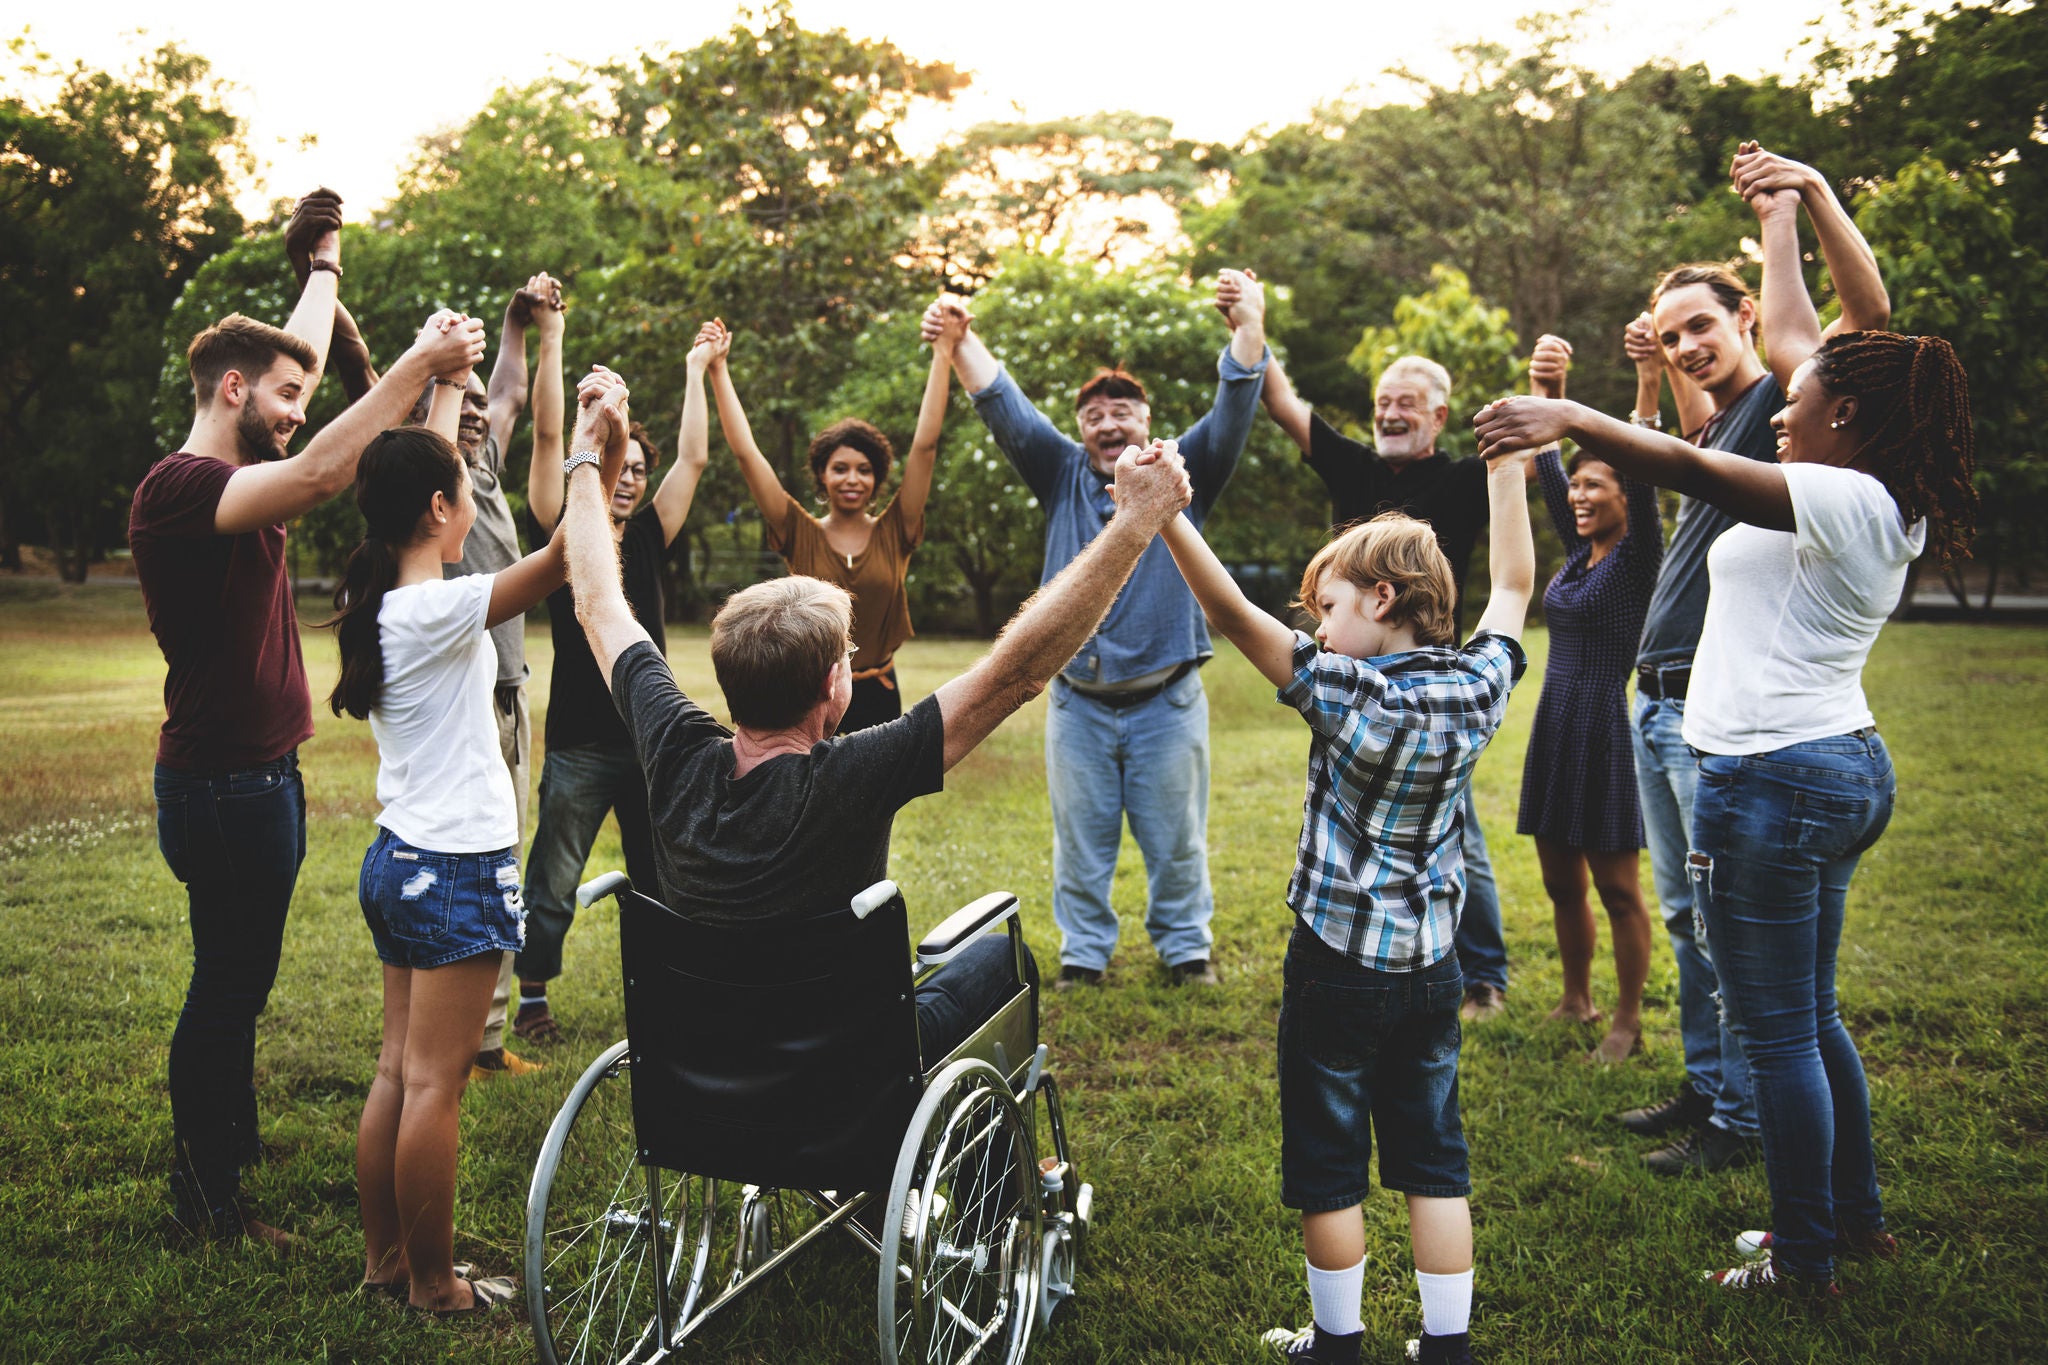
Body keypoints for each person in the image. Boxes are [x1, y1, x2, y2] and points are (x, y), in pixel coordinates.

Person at [1473, 141, 1974, 1295]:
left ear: (1844, 414)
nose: (1781, 415)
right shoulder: (1864, 486)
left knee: (1783, 1033)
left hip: (1773, 777)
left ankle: (1801, 1258)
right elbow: (1799, 350)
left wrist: (1571, 416)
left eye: (1798, 404)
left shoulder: (1839, 491)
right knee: (1813, 1017)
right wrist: (1786, 208)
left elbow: (1690, 465)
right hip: (1825, 762)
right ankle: (1852, 1222)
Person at [556, 364, 1197, 1061]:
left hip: (707, 1058)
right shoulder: (858, 772)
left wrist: (587, 451)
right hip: (848, 1064)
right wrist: (1134, 524)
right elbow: (1017, 672)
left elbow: (595, 600)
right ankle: (1005, 1165)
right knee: (1000, 962)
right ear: (838, 686)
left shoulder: (674, 750)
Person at [130, 192, 486, 1247]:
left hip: (258, 779)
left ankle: (225, 1154)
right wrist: (420, 366)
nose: (298, 408)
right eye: (284, 397)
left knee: (238, 980)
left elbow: (306, 380)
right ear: (231, 390)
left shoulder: (235, 471)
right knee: (227, 987)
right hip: (223, 787)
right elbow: (331, 464)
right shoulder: (183, 488)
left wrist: (322, 266)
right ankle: (208, 1200)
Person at [1154, 401, 1535, 1365]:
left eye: (1328, 606)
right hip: (1432, 968)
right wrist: (1505, 469)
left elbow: (1227, 614)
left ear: (1382, 598)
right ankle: (1446, 1348)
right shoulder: (1477, 685)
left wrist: (1165, 516)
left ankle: (1338, 1343)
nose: (1316, 625)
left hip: (1334, 965)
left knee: (1330, 1166)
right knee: (1433, 1159)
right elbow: (1516, 586)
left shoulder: (1343, 689)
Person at [1612, 142, 1892, 1176]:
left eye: (1702, 325)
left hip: (1734, 725)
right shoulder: (1751, 421)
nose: (1688, 344)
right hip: (1664, 700)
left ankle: (1742, 1124)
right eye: (1671, 329)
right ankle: (1711, 1086)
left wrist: (1793, 205)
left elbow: (1842, 333)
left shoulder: (1786, 416)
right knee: (1692, 923)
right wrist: (1652, 367)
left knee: (1743, 954)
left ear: (1744, 324)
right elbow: (1689, 424)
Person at [327, 361, 595, 1314]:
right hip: (451, 868)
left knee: (399, 1070)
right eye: (458, 490)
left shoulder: (387, 602)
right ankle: (437, 1287)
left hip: (398, 859)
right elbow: (565, 556)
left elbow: (430, 468)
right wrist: (594, 444)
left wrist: (442, 372)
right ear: (443, 508)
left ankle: (388, 1264)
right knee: (437, 1081)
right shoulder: (442, 606)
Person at [918, 270, 1270, 989]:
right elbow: (1001, 403)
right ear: (1081, 431)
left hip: (1166, 701)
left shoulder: (1185, 471)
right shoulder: (1059, 474)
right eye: (1094, 417)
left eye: (1123, 412)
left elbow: (1236, 401)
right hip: (1077, 702)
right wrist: (961, 337)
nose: (1108, 425)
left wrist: (1248, 323)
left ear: (1148, 420)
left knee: (1176, 843)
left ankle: (1184, 950)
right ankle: (1084, 953)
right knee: (1080, 844)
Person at [1240, 282, 1512, 1025]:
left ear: (1439, 416)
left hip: (1430, 687)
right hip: (1347, 676)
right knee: (1347, 810)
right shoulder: (1355, 466)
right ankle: (1356, 934)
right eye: (1384, 400)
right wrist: (1253, 326)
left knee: (1454, 827)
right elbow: (1285, 405)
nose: (1390, 412)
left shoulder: (1460, 478)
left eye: (1407, 403)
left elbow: (1518, 538)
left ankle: (1481, 972)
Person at [511, 315, 709, 1045]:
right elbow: (543, 440)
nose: (629, 481)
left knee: (663, 876)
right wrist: (555, 341)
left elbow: (692, 458)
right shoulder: (565, 532)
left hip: (652, 740)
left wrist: (697, 370)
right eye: (618, 468)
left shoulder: (652, 536)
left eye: (637, 472)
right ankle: (532, 998)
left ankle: (666, 993)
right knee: (555, 876)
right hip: (580, 744)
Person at [1513, 333, 1664, 1064]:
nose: (1577, 493)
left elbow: (1641, 458)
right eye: (1575, 486)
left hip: (1604, 721)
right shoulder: (1579, 554)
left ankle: (1628, 1020)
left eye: (1594, 484)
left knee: (1616, 886)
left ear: (1626, 497)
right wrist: (1549, 385)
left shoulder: (1638, 557)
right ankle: (1577, 997)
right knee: (1558, 879)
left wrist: (1646, 383)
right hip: (1555, 721)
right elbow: (1545, 462)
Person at [698, 307, 956, 732]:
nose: (852, 478)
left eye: (864, 469)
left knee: (876, 800)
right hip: (805, 695)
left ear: (876, 479)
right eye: (840, 468)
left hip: (879, 692)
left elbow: (925, 446)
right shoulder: (797, 530)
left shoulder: (897, 529)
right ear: (822, 476)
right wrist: (719, 370)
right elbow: (747, 454)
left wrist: (943, 351)